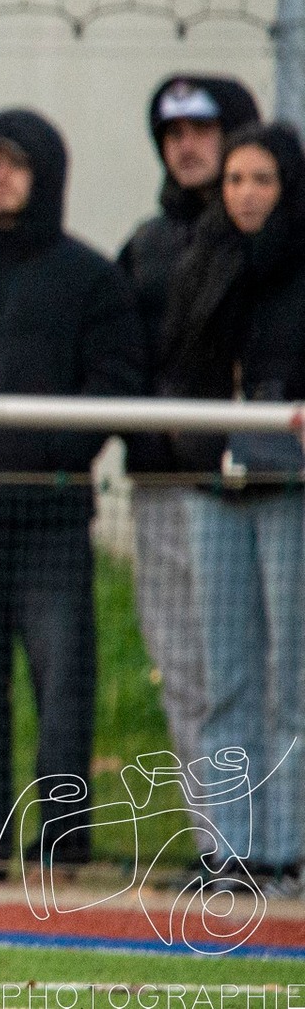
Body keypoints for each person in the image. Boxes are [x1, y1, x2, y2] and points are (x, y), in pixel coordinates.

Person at [0, 110, 143, 876]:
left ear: (45, 174)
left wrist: (52, 459)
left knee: (63, 679)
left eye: (16, 164)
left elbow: (115, 384)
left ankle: (64, 843)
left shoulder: (90, 278)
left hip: (51, 518)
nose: (2, 178)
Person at [155, 122, 305, 891]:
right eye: (236, 179)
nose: (247, 194)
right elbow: (180, 365)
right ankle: (229, 852)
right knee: (227, 678)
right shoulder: (202, 261)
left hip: (292, 487)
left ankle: (286, 850)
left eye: (263, 180)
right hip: (216, 484)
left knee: (293, 678)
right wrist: (194, 441)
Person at [115, 76, 258, 770]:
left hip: (261, 486)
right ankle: (219, 842)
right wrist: (155, 443)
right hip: (166, 485)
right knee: (183, 664)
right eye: (174, 133)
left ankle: (278, 837)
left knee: (257, 667)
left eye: (203, 129)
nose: (188, 146)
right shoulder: (144, 248)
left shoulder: (275, 249)